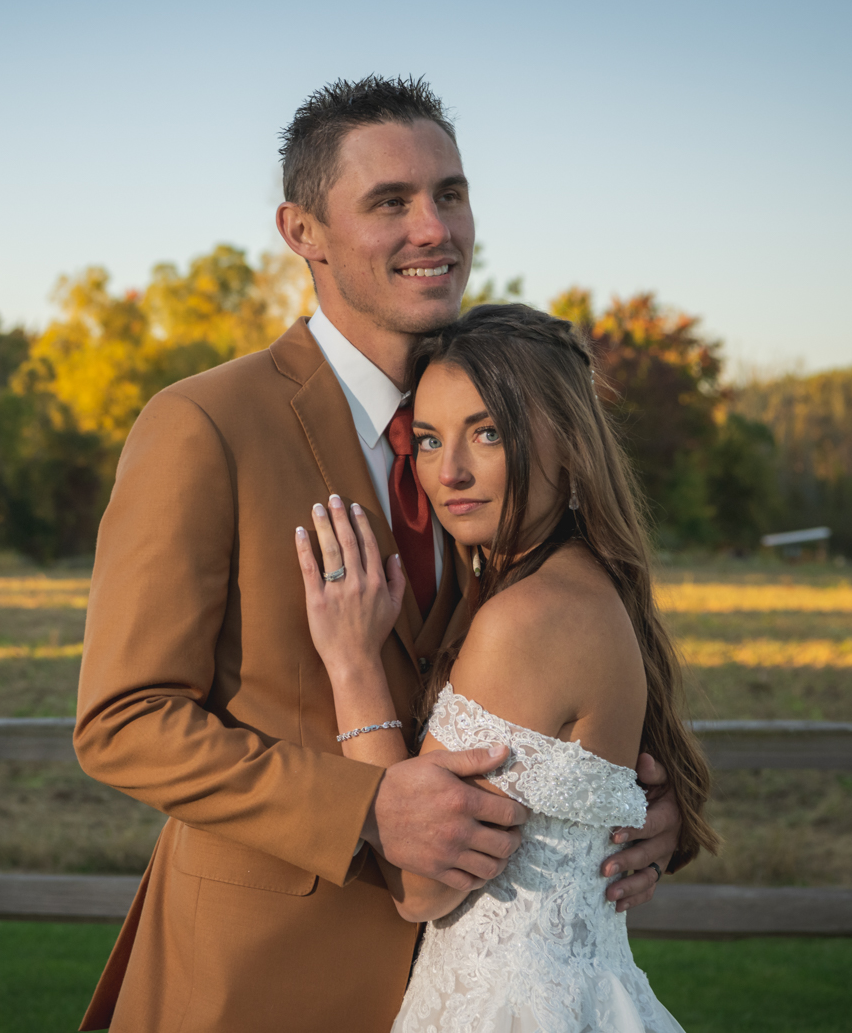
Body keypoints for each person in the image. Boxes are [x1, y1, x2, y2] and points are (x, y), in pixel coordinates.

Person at [73, 76, 684, 1033]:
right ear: (302, 229)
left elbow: (563, 657)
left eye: (450, 192)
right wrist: (364, 808)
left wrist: (639, 809)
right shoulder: (204, 426)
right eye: (389, 202)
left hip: (470, 984)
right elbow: (123, 718)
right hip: (256, 981)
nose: (434, 228)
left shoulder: (498, 434)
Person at [294, 304, 720, 1033]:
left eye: (487, 432)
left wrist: (353, 664)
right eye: (427, 439)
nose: (448, 470)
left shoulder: (526, 619)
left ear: (568, 441)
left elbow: (418, 883)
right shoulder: (581, 585)